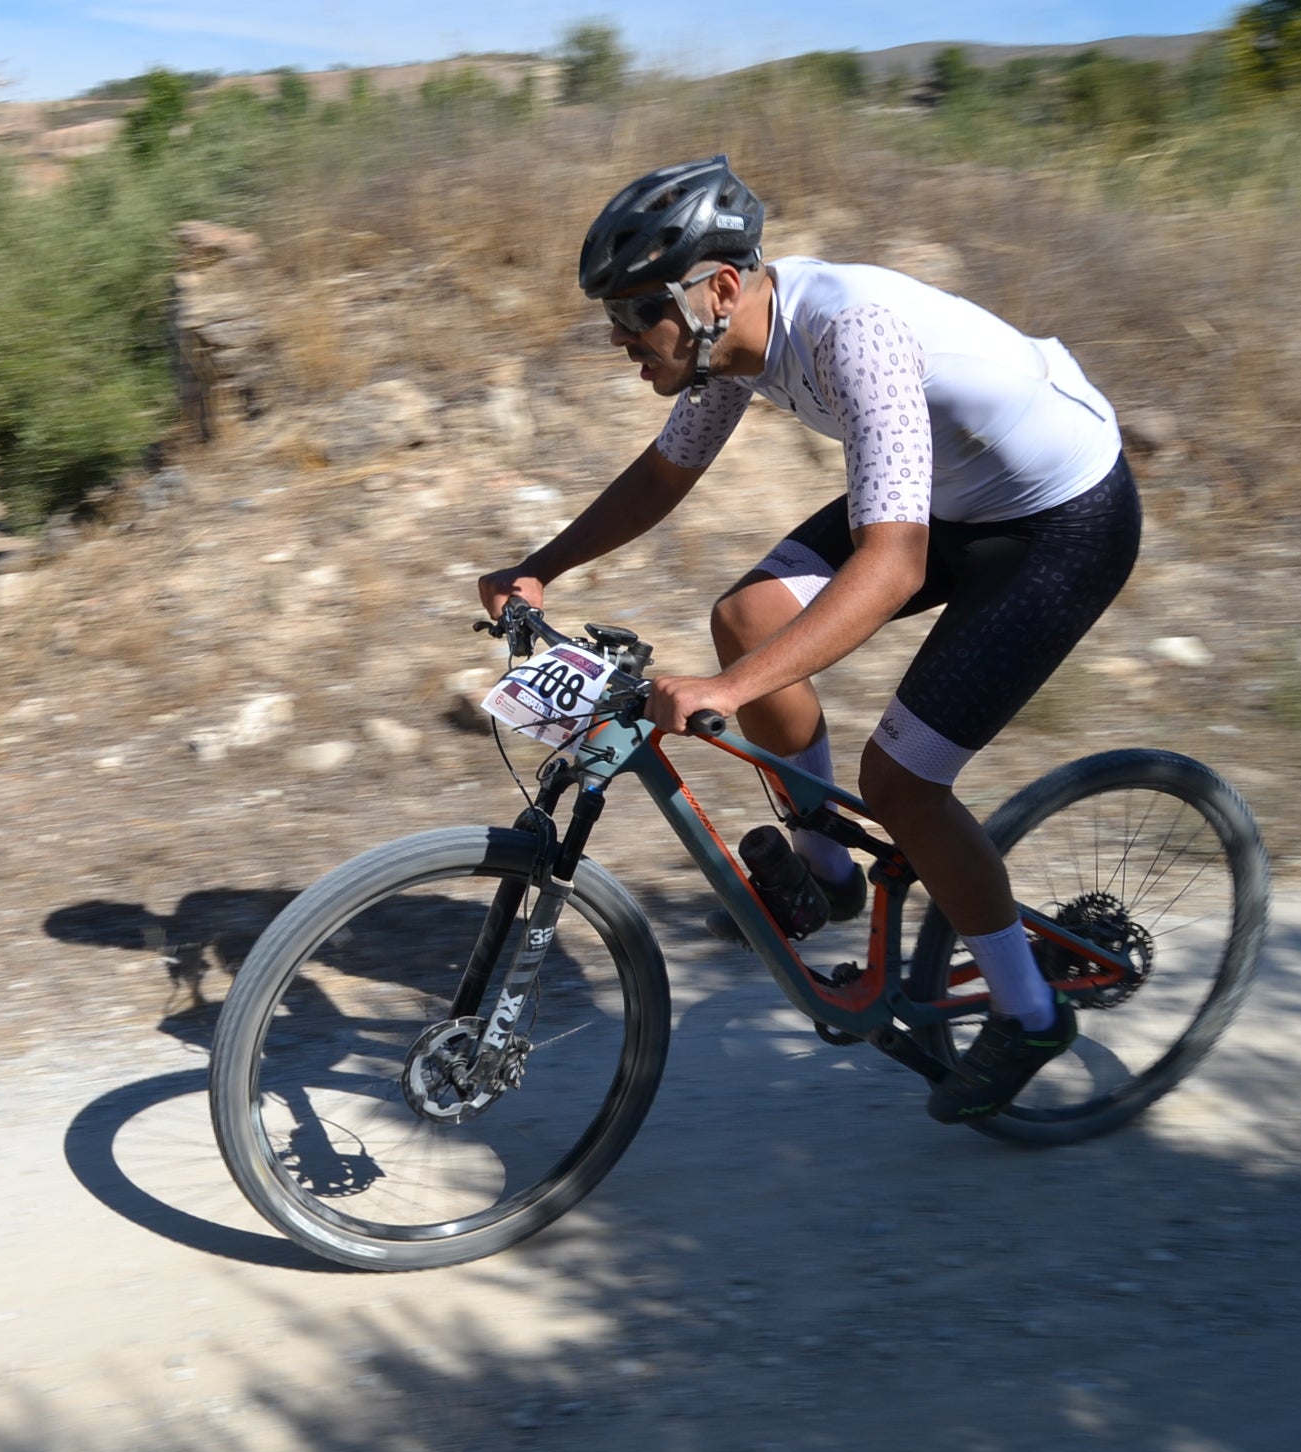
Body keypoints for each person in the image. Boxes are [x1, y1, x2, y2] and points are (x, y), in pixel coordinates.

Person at [477, 155, 1140, 1123]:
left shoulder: (850, 334)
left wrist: (734, 692)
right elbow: (665, 476)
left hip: (1060, 522)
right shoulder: (725, 346)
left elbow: (894, 566)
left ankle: (1031, 1012)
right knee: (749, 614)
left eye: (633, 316)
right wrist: (541, 566)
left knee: (901, 781)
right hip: (959, 497)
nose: (621, 341)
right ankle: (828, 879)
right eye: (610, 320)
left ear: (720, 289)